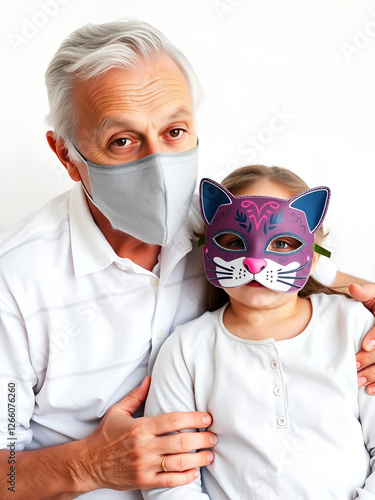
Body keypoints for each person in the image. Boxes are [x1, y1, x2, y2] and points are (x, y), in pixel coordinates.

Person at [0, 19, 375, 500]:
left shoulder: (224, 225)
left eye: (174, 131)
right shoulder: (15, 283)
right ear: (67, 155)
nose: (159, 165)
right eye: (122, 140)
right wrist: (87, 466)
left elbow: (313, 271)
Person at [143, 165, 375, 499]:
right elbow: (170, 480)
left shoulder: (352, 326)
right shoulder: (186, 350)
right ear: (208, 247)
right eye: (235, 241)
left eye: (282, 242)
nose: (256, 262)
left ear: (313, 255)